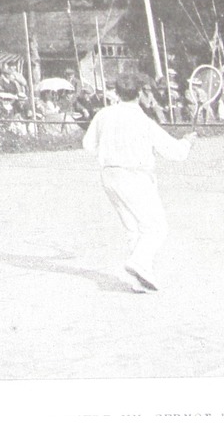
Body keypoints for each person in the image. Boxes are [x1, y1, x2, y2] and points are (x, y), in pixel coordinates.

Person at [82, 72, 196, 292]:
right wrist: (188, 142)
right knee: (156, 228)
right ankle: (139, 264)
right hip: (135, 177)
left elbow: (88, 144)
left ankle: (140, 280)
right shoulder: (144, 121)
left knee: (134, 229)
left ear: (116, 92)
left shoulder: (103, 114)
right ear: (141, 93)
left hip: (109, 176)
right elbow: (176, 153)